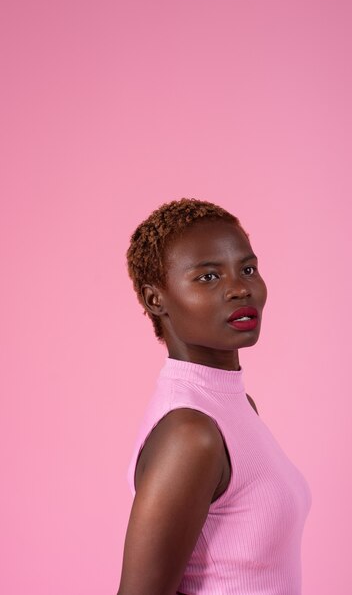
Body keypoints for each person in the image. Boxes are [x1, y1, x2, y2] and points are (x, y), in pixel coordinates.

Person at [117, 198, 311, 595]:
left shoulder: (232, 407)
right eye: (208, 277)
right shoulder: (191, 433)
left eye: (248, 268)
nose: (240, 288)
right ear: (157, 299)